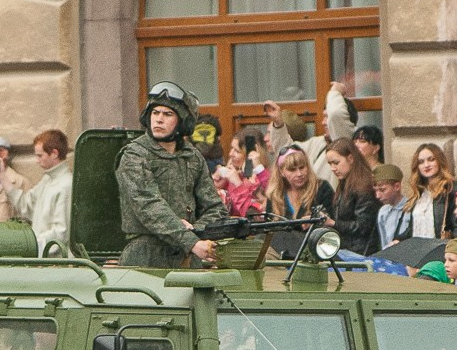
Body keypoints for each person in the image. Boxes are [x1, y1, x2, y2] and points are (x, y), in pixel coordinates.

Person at [116, 82, 230, 268]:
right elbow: (149, 206)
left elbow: (216, 208)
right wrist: (190, 241)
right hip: (146, 259)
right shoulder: (135, 155)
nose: (159, 119)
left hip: (187, 258)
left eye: (167, 114)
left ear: (182, 121)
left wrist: (195, 230)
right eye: (155, 113)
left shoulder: (192, 157)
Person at [323, 139, 378, 254]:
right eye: (330, 164)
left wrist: (333, 223)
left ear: (350, 159)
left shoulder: (363, 186)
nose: (333, 168)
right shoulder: (344, 183)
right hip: (347, 249)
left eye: (336, 163)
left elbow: (363, 226)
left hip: (361, 252)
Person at [25, 129, 74, 254]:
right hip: (45, 259)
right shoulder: (47, 180)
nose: (37, 160)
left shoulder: (66, 185)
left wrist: (32, 246)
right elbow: (26, 205)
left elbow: (61, 231)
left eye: (40, 155)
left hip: (57, 264)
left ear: (54, 153)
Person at [258, 144, 333, 223]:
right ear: (281, 172)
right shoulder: (275, 195)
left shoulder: (321, 188)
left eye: (302, 167)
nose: (299, 174)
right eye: (292, 170)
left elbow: (332, 222)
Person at [372, 164, 411, 248]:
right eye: (376, 191)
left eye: (382, 190)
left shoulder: (411, 208)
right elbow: (384, 242)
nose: (377, 195)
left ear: (397, 186)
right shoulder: (383, 212)